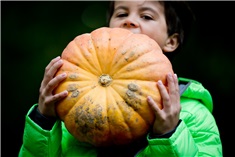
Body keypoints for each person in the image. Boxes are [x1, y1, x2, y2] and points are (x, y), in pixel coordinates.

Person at [18, 1, 223, 157]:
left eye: (146, 16)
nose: (129, 20)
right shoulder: (72, 112)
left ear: (171, 41)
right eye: (122, 13)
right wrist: (43, 119)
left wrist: (169, 134)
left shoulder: (193, 114)